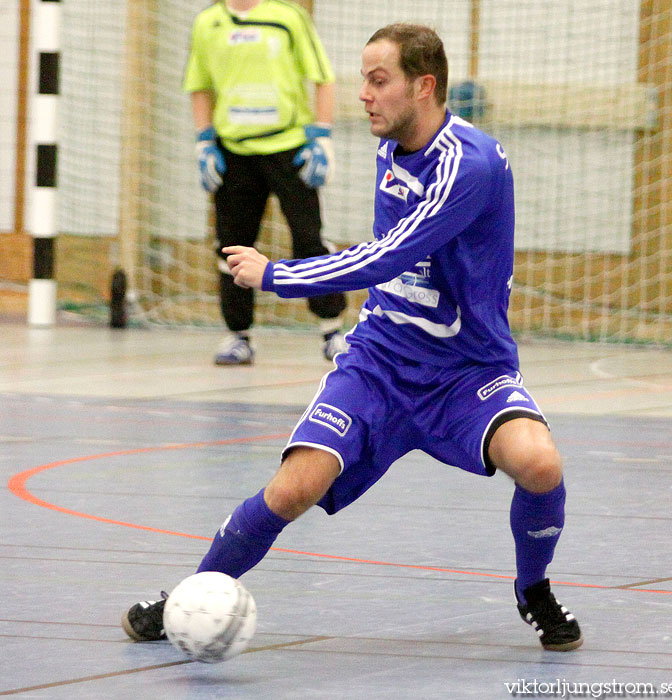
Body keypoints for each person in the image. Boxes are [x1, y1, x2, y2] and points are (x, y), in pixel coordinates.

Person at [124, 23, 582, 651]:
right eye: (363, 79)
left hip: (468, 369)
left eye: (377, 80)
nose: (362, 95)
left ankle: (534, 589)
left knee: (540, 463)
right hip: (381, 363)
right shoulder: (391, 146)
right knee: (293, 488)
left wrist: (276, 274)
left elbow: (386, 257)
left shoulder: (470, 164)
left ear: (424, 86)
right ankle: (188, 595)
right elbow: (388, 262)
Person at [183, 0, 347, 365]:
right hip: (234, 152)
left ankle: (332, 328)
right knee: (232, 246)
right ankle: (238, 335)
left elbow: (322, 77)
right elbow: (199, 85)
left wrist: (321, 137)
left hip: (288, 147)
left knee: (309, 238)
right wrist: (204, 143)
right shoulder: (208, 23)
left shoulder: (288, 18)